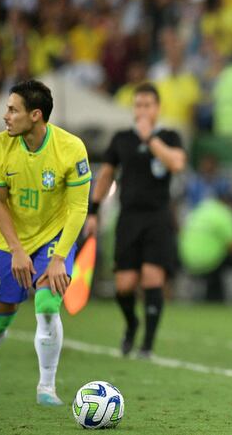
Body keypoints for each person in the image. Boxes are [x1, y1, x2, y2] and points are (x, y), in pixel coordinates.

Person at [0, 80, 91, 405]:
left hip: (53, 238)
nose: (5, 116)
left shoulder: (71, 148)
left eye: (13, 109)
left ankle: (46, 387)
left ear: (35, 115)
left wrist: (59, 257)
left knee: (48, 304)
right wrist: (17, 250)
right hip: (12, 241)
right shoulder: (0, 145)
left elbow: (79, 207)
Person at [85, 83, 186, 358]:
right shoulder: (121, 139)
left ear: (157, 108)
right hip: (128, 218)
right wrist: (93, 212)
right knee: (124, 286)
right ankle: (132, 324)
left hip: (158, 218)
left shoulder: (169, 136)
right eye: (138, 105)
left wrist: (150, 139)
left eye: (147, 105)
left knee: (153, 280)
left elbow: (176, 164)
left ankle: (147, 346)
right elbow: (105, 176)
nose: (142, 110)